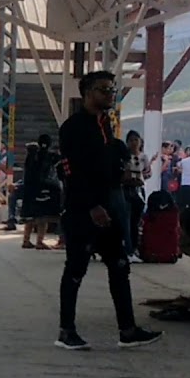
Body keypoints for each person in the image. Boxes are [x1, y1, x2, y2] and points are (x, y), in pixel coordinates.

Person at [55, 70, 163, 351]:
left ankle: (127, 330)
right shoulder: (74, 127)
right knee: (75, 270)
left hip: (110, 208)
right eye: (104, 90)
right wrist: (91, 205)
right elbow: (72, 172)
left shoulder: (105, 126)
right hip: (83, 210)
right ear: (87, 93)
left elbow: (105, 166)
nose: (110, 94)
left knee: (119, 267)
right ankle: (66, 331)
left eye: (112, 89)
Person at [21, 136, 61, 250]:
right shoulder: (49, 156)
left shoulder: (30, 157)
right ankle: (39, 241)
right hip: (43, 189)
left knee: (30, 217)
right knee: (42, 217)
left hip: (29, 190)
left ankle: (26, 240)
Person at [124, 130, 150, 257]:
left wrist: (141, 177)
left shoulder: (144, 157)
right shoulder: (124, 156)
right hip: (126, 190)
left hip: (139, 191)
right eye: (131, 140)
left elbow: (148, 172)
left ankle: (133, 247)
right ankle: (127, 247)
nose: (134, 143)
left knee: (135, 220)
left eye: (136, 140)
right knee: (126, 219)